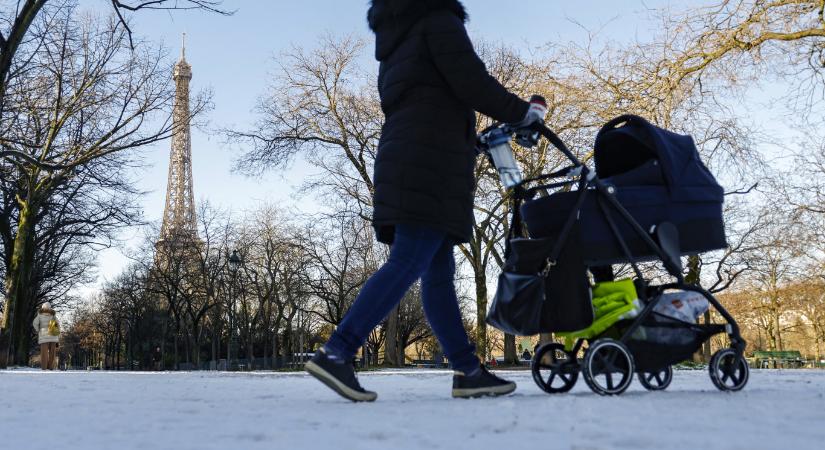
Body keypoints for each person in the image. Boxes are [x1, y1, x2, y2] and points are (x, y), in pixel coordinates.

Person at [305, 0, 547, 402]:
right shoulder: (437, 20)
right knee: (409, 261)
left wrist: (473, 141)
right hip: (428, 162)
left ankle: (468, 370)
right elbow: (471, 81)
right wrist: (525, 113)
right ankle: (338, 350)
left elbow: (429, 102)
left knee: (437, 272)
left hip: (411, 155)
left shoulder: (397, 38)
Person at [32, 302, 60, 370]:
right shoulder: (53, 315)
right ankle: (50, 367)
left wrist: (38, 330)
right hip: (53, 336)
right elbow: (58, 325)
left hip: (43, 336)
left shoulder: (40, 315)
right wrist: (58, 335)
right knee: (52, 353)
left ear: (42, 308)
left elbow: (34, 323)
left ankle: (44, 367)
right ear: (50, 308)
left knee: (44, 353)